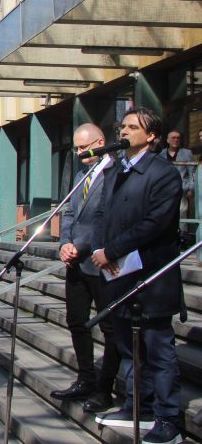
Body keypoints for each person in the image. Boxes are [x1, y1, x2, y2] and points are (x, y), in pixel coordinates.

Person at [92, 108, 184, 443]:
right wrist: (100, 250)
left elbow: (154, 224)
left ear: (152, 136)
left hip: (152, 275)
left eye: (133, 127)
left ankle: (168, 417)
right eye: (123, 125)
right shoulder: (116, 170)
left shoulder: (163, 173)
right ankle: (138, 406)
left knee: (157, 349)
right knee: (129, 347)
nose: (125, 131)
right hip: (119, 274)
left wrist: (112, 250)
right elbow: (104, 212)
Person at [51, 123, 120, 413]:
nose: (79, 153)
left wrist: (81, 245)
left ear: (101, 142)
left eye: (84, 147)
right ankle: (85, 378)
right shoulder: (82, 175)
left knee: (110, 327)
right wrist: (65, 243)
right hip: (76, 263)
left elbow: (105, 219)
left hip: (100, 262)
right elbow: (69, 212)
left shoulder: (115, 175)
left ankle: (104, 389)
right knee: (76, 321)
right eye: (76, 148)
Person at [164, 130, 194, 221]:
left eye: (178, 138)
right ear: (168, 140)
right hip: (164, 189)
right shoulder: (161, 154)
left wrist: (191, 189)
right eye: (173, 138)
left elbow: (192, 172)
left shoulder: (186, 153)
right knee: (165, 214)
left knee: (181, 213)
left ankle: (182, 234)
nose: (176, 140)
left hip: (181, 189)